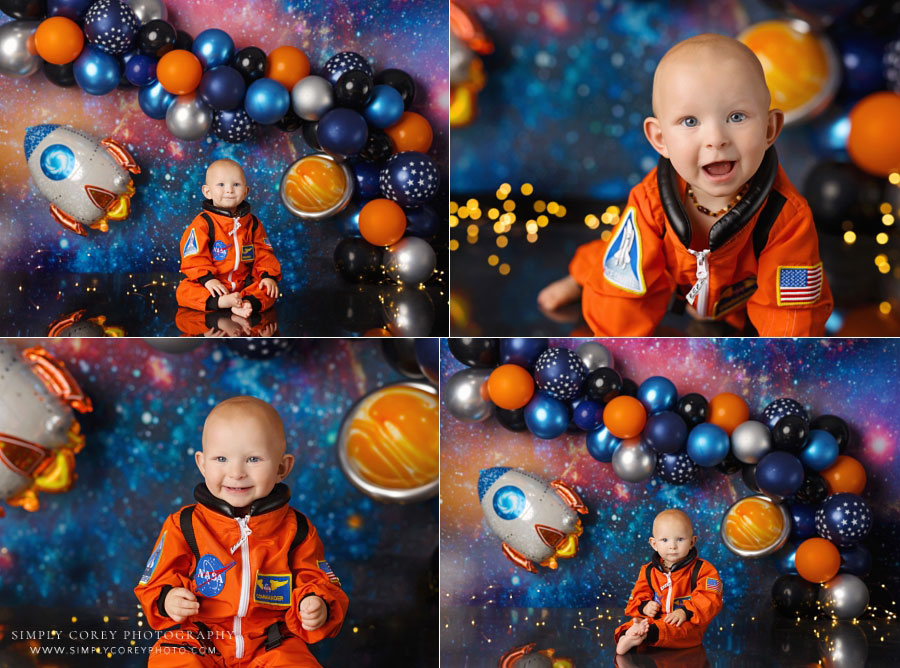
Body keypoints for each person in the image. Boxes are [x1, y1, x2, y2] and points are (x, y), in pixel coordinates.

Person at [538, 34, 832, 336]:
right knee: (607, 261)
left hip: (742, 294)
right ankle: (576, 279)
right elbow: (622, 283)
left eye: (736, 116)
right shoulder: (650, 203)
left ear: (770, 129)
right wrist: (618, 346)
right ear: (660, 139)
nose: (716, 138)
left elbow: (793, 310)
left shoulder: (786, 217)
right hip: (670, 278)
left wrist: (785, 358)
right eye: (690, 122)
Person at [135, 396, 348, 667]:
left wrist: (316, 603)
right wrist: (168, 600)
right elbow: (153, 582)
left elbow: (320, 581)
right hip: (199, 638)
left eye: (253, 459)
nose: (236, 472)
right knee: (169, 659)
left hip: (271, 642)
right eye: (221, 458)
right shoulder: (185, 525)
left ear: (282, 467)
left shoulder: (297, 530)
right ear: (202, 464)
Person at [176, 159, 282, 318]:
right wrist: (208, 280)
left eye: (236, 185)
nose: (229, 190)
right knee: (184, 292)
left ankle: (246, 303)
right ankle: (222, 302)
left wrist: (267, 276)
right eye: (221, 185)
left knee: (269, 290)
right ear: (207, 192)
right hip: (213, 285)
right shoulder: (203, 224)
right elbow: (193, 257)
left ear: (246, 191)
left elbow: (264, 253)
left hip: (244, 284)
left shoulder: (252, 224)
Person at [614, 509, 722, 655]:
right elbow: (637, 596)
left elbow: (710, 597)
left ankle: (642, 636)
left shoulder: (704, 570)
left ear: (692, 541)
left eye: (680, 539)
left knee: (672, 631)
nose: (672, 546)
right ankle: (627, 636)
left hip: (686, 624)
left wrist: (685, 611)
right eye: (664, 540)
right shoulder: (648, 571)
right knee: (632, 624)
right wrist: (645, 607)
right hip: (654, 620)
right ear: (654, 543)